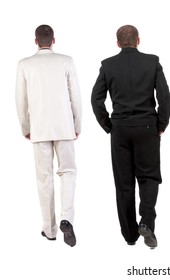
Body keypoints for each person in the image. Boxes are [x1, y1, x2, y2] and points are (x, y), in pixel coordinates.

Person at [91, 25, 170, 249]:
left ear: (118, 43)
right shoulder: (152, 62)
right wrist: (161, 124)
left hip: (120, 130)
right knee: (149, 178)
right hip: (147, 128)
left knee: (124, 184)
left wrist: (109, 126)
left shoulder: (108, 65)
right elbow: (165, 97)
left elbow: (96, 100)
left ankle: (129, 235)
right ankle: (146, 221)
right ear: (138, 40)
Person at [15, 24, 82, 247]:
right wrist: (77, 124)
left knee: (44, 179)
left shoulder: (24, 65)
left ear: (35, 41)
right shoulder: (66, 61)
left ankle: (50, 230)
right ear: (54, 40)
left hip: (39, 128)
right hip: (64, 126)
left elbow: (21, 100)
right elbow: (76, 97)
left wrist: (26, 126)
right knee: (69, 172)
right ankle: (66, 219)